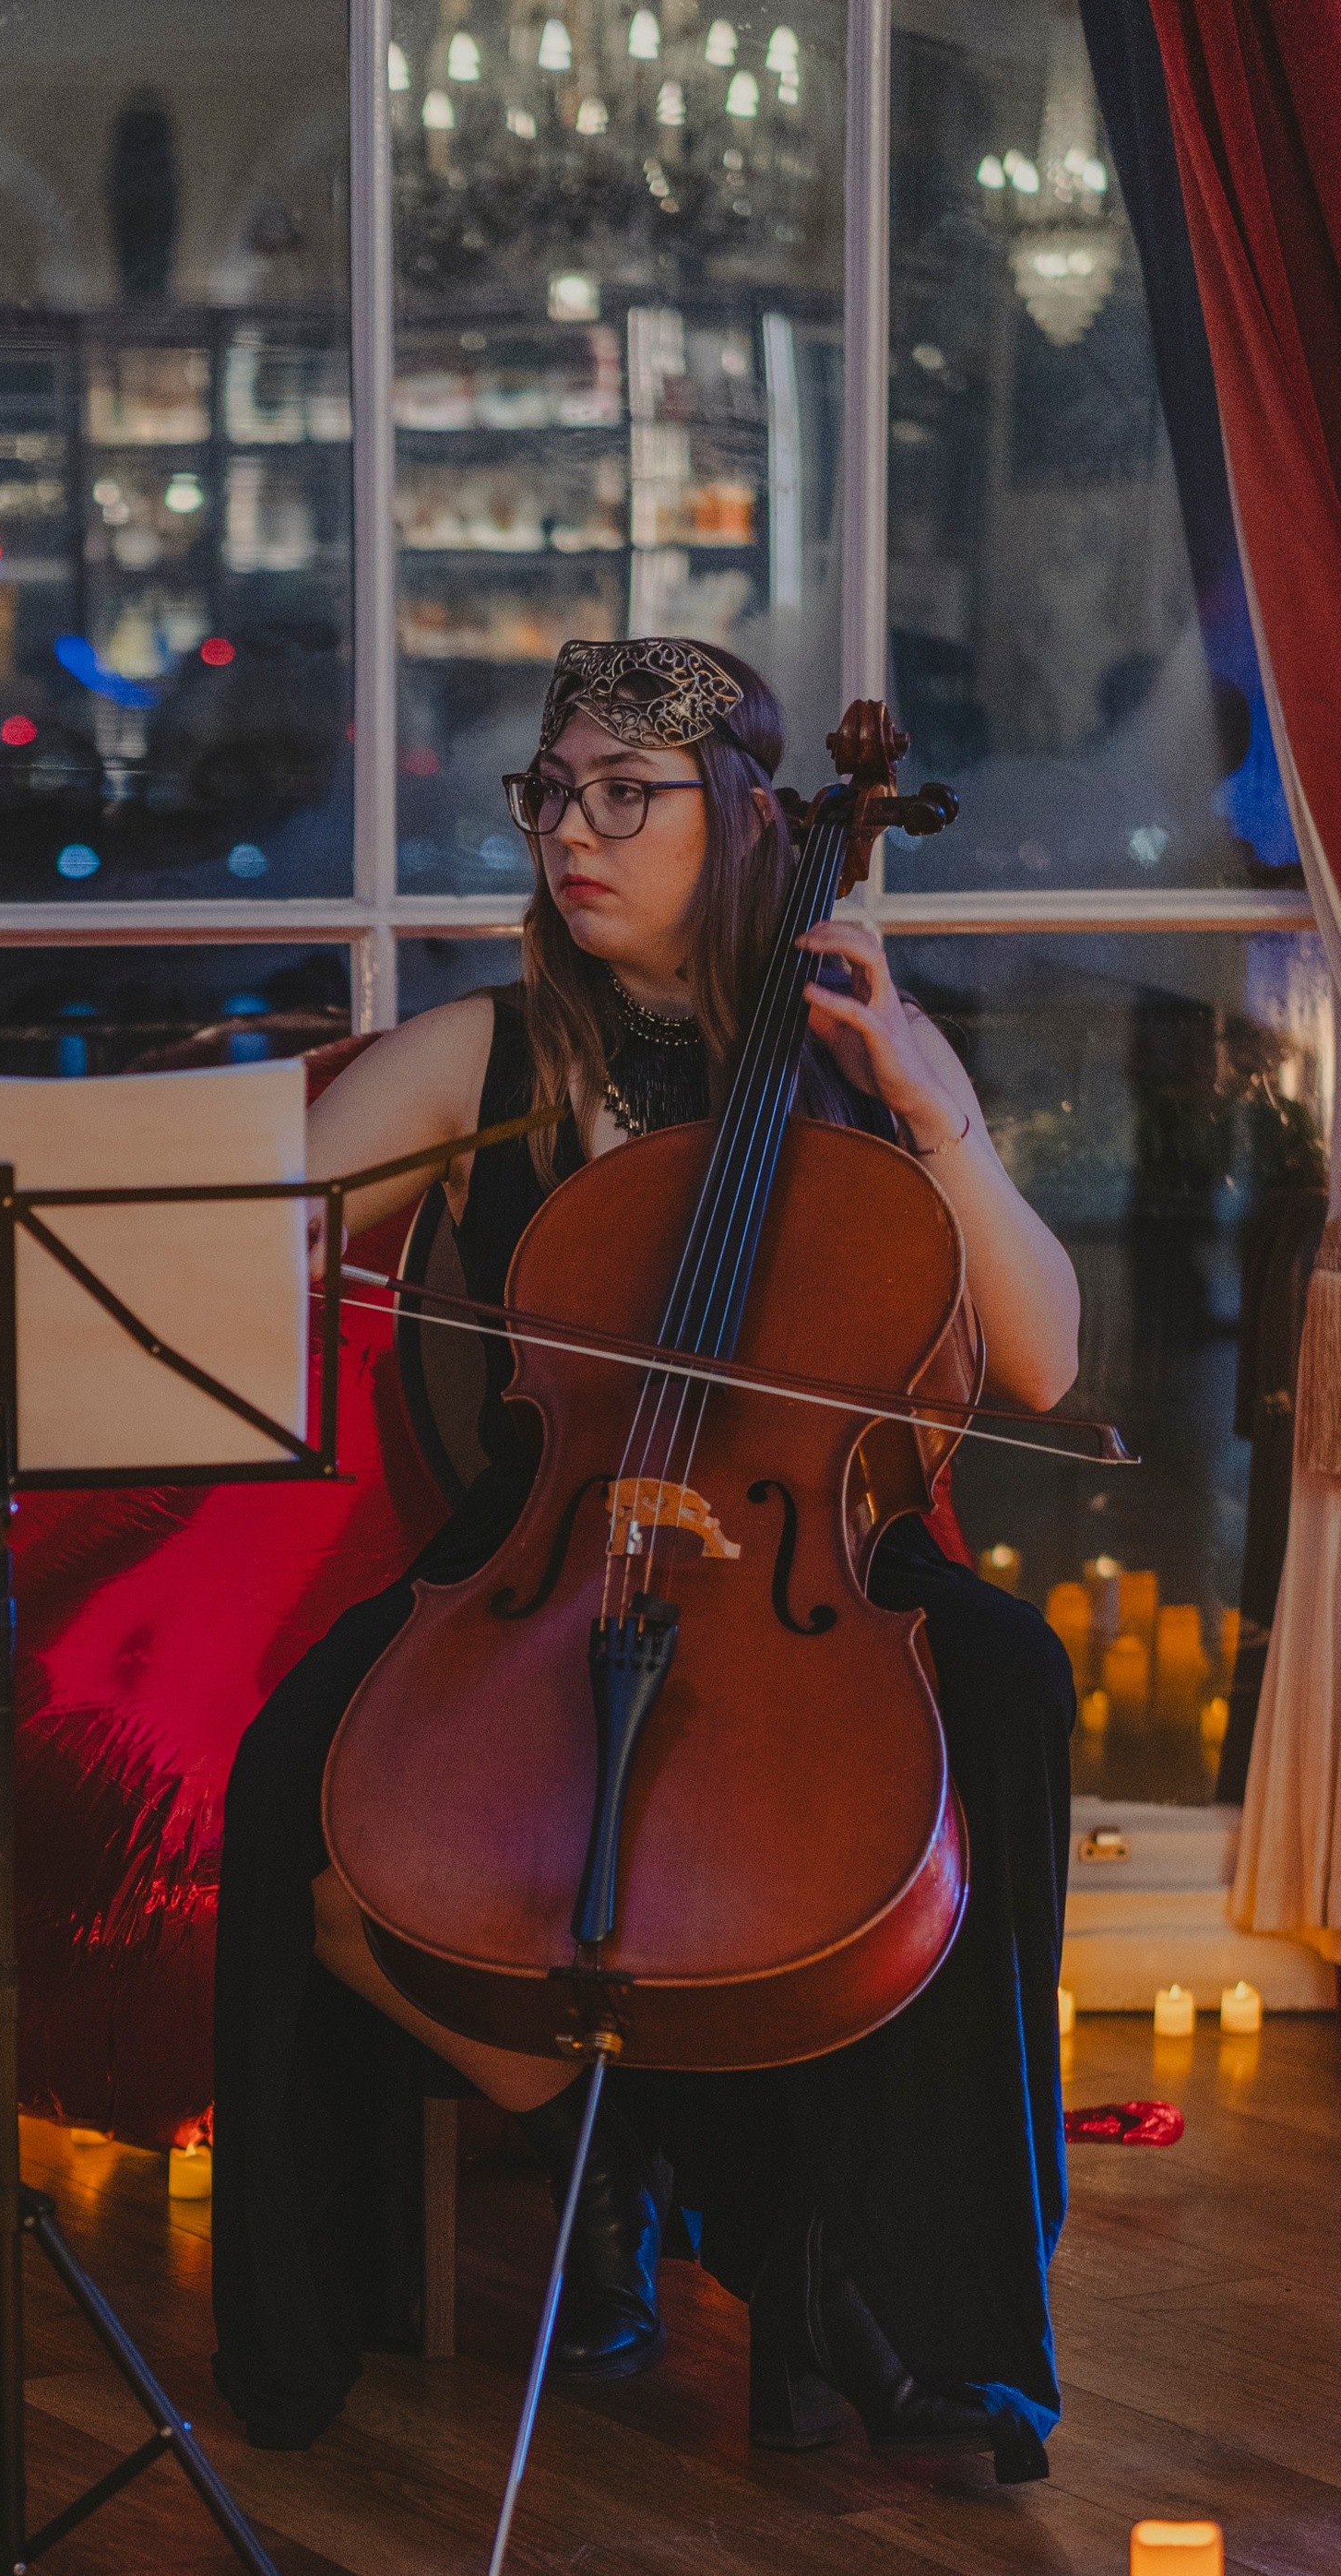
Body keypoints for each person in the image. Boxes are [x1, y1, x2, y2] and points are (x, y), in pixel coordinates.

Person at [211, 636, 1081, 2480]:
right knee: (299, 1791)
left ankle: (914, 2295)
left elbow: (1042, 1358)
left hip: (804, 1551)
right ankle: (614, 2148)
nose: (571, 835)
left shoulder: (856, 1064)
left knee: (1000, 1677)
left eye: (627, 796)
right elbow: (219, 1249)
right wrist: (245, 1222)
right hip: (536, 1541)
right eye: (552, 795)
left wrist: (926, 1105)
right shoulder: (485, 1054)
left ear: (751, 820)